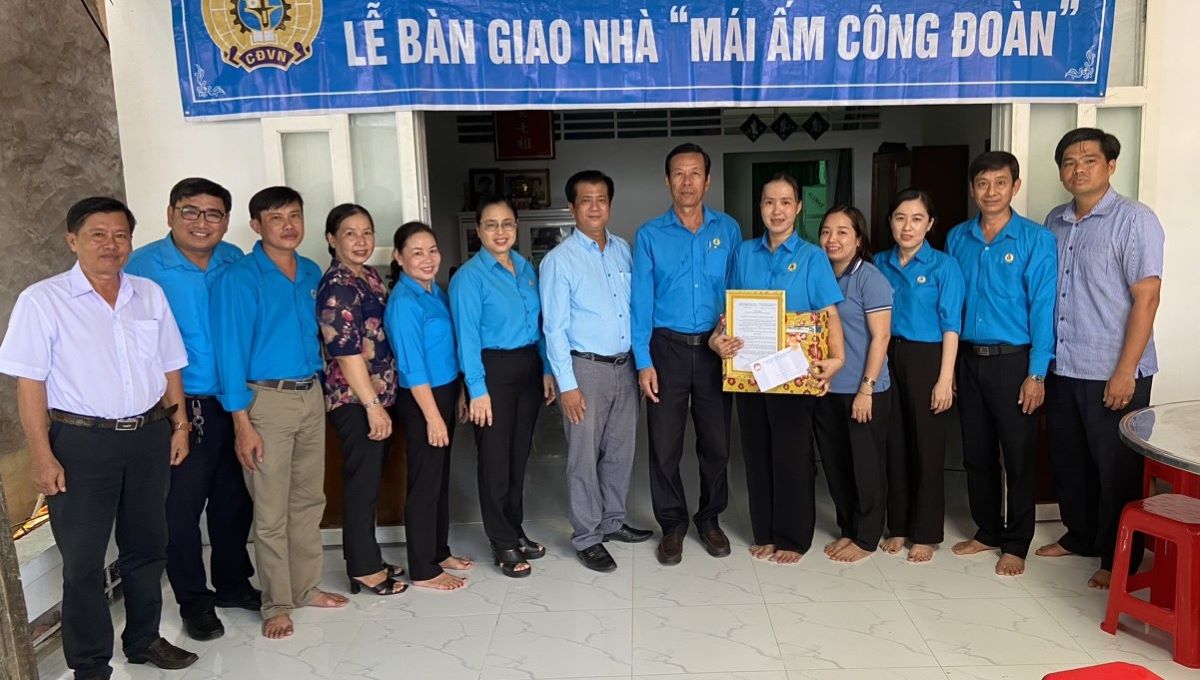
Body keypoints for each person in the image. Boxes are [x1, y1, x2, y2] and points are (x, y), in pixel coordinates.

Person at [0, 197, 198, 678]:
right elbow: (30, 385)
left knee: (148, 544)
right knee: (84, 560)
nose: (111, 245)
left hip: (149, 436)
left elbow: (170, 366)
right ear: (73, 240)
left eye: (120, 235)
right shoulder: (41, 300)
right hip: (81, 442)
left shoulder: (148, 294)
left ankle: (144, 638)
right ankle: (89, 663)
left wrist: (180, 425)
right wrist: (42, 455)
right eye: (97, 234)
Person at [210, 186, 349, 639]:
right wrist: (241, 423)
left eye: (295, 215)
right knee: (270, 510)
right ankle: (276, 603)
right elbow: (229, 353)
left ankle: (306, 587)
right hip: (263, 401)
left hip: (311, 395)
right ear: (256, 225)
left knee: (309, 501)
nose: (288, 225)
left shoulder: (310, 271)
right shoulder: (239, 277)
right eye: (276, 218)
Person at [124, 178, 259, 641]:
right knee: (181, 511)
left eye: (214, 214)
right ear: (170, 214)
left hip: (234, 401)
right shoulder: (141, 269)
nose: (202, 223)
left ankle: (234, 584)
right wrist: (173, 417)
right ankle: (194, 601)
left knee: (233, 501)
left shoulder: (233, 260)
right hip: (178, 408)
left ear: (226, 220)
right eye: (191, 212)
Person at [1036, 128, 1164, 590]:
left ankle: (1120, 559)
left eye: (1089, 160)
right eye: (1069, 162)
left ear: (1110, 166)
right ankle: (1081, 536)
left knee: (1116, 469)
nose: (1078, 169)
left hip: (1113, 369)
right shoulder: (1055, 220)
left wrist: (1125, 370)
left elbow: (1147, 297)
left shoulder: (1135, 220)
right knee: (1069, 460)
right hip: (1065, 366)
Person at [720, 173, 846, 565]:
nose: (777, 210)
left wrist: (837, 359)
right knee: (756, 453)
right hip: (750, 372)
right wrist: (718, 338)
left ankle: (792, 539)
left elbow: (829, 314)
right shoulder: (743, 253)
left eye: (785, 202)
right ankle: (765, 533)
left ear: (798, 207)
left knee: (792, 454)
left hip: (794, 374)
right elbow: (730, 311)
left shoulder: (811, 257)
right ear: (760, 207)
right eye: (769, 202)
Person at [945, 152, 1058, 577]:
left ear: (1015, 186)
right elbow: (951, 306)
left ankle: (1017, 541)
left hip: (1015, 363)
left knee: (1019, 455)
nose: (990, 192)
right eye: (982, 184)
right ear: (972, 188)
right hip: (970, 361)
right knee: (975, 452)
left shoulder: (1035, 239)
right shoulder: (958, 238)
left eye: (1000, 183)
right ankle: (988, 529)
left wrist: (1037, 373)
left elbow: (1043, 308)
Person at [631, 143, 742, 566]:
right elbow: (641, 304)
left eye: (695, 173)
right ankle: (673, 525)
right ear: (667, 181)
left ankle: (710, 519)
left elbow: (737, 292)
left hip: (715, 350)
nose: (687, 181)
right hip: (666, 350)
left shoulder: (728, 230)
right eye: (679, 173)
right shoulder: (650, 235)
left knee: (716, 444)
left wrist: (727, 336)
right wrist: (644, 362)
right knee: (664, 446)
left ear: (708, 180)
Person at [540, 170, 653, 573]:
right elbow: (553, 328)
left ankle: (612, 521)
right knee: (583, 457)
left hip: (625, 367)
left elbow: (637, 310)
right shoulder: (559, 261)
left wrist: (642, 364)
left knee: (621, 451)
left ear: (610, 204)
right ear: (572, 208)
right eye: (585, 200)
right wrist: (567, 385)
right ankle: (587, 536)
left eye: (601, 199)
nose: (594, 206)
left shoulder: (624, 250)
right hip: (584, 368)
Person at [449, 195, 557, 578]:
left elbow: (541, 326)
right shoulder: (469, 278)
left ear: (516, 227)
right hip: (491, 369)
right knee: (494, 459)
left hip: (527, 366)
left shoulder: (527, 269)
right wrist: (476, 389)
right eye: (491, 224)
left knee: (517, 456)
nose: (500, 231)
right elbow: (466, 337)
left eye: (507, 223)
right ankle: (501, 542)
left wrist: (545, 369)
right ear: (478, 231)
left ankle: (515, 529)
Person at [317, 204, 406, 596]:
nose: (360, 241)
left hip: (379, 395)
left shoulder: (370, 276)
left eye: (367, 232)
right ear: (331, 239)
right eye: (350, 233)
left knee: (370, 481)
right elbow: (346, 351)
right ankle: (364, 568)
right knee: (361, 482)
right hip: (355, 401)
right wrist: (371, 405)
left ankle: (366, 555)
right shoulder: (337, 285)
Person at [875, 189, 965, 563]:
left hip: (928, 358)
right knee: (893, 445)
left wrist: (946, 378)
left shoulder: (944, 266)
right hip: (885, 355)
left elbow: (951, 326)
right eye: (899, 217)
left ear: (930, 224)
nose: (907, 226)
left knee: (927, 448)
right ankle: (897, 526)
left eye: (916, 219)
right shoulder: (878, 262)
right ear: (890, 222)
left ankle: (925, 532)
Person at [385, 221, 474, 590]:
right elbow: (411, 367)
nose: (427, 258)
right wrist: (434, 417)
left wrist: (460, 393)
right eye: (416, 252)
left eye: (432, 250)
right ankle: (423, 568)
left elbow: (446, 350)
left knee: (438, 478)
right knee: (424, 482)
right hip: (422, 399)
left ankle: (438, 550)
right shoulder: (404, 302)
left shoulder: (434, 291)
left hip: (443, 390)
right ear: (399, 258)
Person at [813, 205, 895, 564]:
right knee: (836, 465)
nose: (833, 239)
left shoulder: (869, 277)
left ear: (858, 239)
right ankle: (848, 527)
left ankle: (866, 537)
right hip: (827, 388)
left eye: (842, 232)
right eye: (827, 231)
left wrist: (866, 389)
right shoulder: (819, 273)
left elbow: (881, 338)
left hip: (864, 391)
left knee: (865, 466)